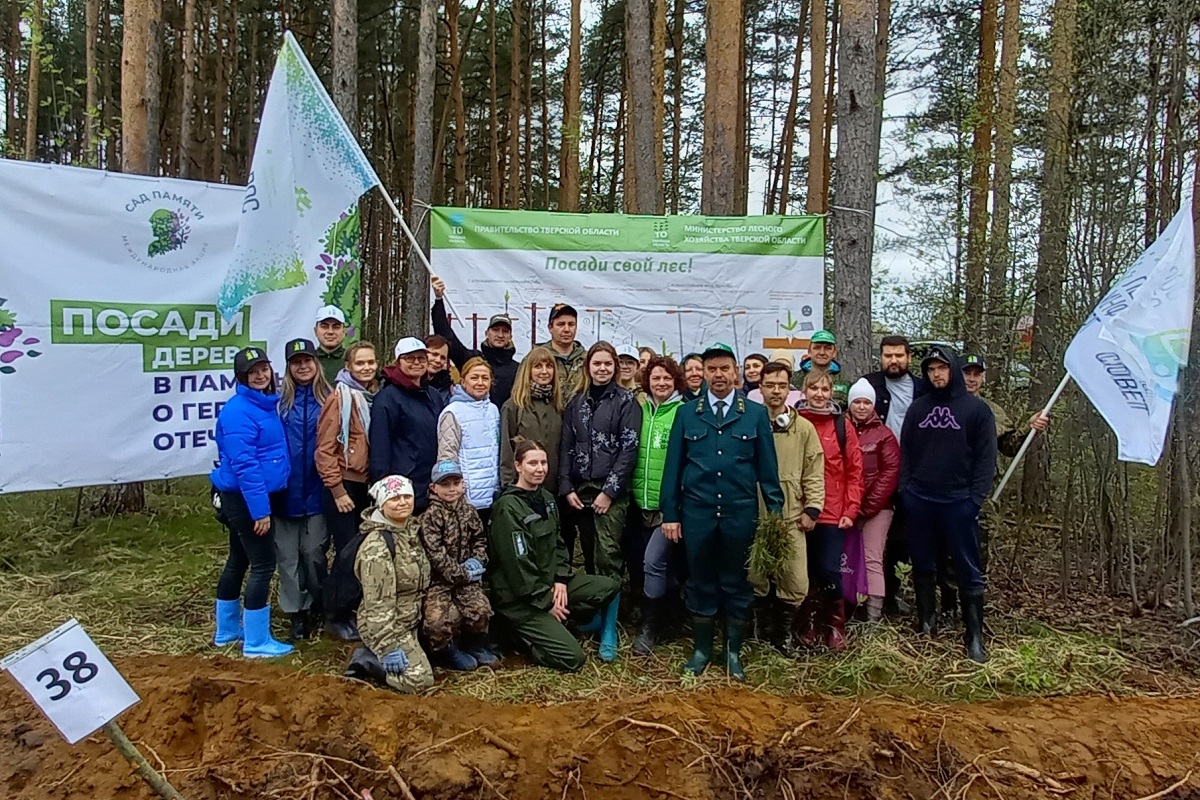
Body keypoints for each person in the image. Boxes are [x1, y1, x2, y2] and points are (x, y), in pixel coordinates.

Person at [660, 343, 785, 680]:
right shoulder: (687, 413)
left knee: (737, 582)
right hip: (697, 514)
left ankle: (732, 652)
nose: (718, 375)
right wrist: (670, 513)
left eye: (724, 369)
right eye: (711, 369)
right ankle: (701, 650)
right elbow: (673, 468)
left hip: (739, 513)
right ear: (702, 373)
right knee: (700, 581)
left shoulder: (754, 414)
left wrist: (775, 513)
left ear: (736, 373)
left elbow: (768, 470)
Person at [899, 346, 997, 663]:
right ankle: (926, 622)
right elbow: (907, 454)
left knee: (967, 569)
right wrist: (907, 492)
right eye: (930, 369)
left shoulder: (977, 411)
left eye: (942, 368)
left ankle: (974, 637)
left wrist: (974, 500)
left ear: (952, 369)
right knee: (924, 563)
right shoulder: (918, 409)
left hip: (959, 502)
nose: (936, 374)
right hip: (921, 500)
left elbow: (986, 460)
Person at [489, 441, 621, 671]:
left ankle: (586, 626)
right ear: (518, 466)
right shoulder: (507, 507)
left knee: (610, 587)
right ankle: (520, 638)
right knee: (573, 659)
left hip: (551, 583)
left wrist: (560, 578)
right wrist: (546, 602)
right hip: (522, 599)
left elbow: (559, 544)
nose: (539, 469)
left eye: (543, 462)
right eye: (532, 463)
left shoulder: (548, 499)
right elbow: (518, 566)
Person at [559, 342, 641, 659]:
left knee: (608, 556)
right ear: (588, 367)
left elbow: (628, 450)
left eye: (608, 364)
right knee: (586, 554)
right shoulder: (576, 402)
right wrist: (566, 487)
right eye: (597, 363)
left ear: (615, 368)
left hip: (611, 491)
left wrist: (610, 491)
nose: (602, 369)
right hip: (579, 489)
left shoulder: (625, 401)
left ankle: (609, 627)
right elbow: (566, 446)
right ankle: (593, 614)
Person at [211, 346, 293, 658]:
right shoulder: (237, 411)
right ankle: (257, 641)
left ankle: (228, 630)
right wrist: (260, 511)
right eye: (252, 372)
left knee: (238, 560)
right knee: (263, 564)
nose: (260, 376)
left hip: (250, 496)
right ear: (242, 378)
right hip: (245, 499)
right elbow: (245, 465)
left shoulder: (264, 405)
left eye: (263, 369)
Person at [749, 361, 825, 651]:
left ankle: (783, 634)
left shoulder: (803, 428)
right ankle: (760, 630)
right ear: (761, 388)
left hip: (792, 515)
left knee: (794, 580)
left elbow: (814, 470)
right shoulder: (751, 423)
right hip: (755, 513)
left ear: (789, 389)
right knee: (755, 575)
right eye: (770, 385)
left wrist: (813, 508)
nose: (776, 391)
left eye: (782, 385)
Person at [961, 353, 1050, 576]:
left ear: (983, 378)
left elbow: (1010, 447)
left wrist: (1029, 428)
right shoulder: (943, 406)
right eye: (966, 374)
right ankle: (946, 602)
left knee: (978, 543)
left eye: (976, 374)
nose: (971, 379)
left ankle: (974, 597)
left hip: (982, 490)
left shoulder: (993, 411)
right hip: (948, 487)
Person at [795, 370, 864, 652]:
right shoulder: (795, 421)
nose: (819, 394)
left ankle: (835, 623)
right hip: (800, 509)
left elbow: (855, 470)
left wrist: (851, 508)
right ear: (804, 391)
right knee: (805, 571)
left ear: (831, 392)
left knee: (829, 569)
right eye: (814, 389)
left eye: (825, 389)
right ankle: (808, 622)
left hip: (832, 511)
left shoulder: (841, 425)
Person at [316, 341, 379, 642]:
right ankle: (334, 615)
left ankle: (354, 610)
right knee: (345, 553)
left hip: (364, 482)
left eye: (370, 362)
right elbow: (325, 450)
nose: (366, 368)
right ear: (348, 366)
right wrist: (338, 489)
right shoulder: (339, 398)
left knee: (360, 551)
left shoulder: (370, 396)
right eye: (360, 363)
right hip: (344, 483)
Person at [861, 335, 929, 616]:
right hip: (874, 475)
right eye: (888, 355)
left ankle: (893, 593)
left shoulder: (922, 389)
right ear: (881, 357)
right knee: (872, 541)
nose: (893, 360)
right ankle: (865, 595)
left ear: (908, 358)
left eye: (899, 355)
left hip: (912, 474)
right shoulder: (869, 385)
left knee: (902, 540)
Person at [353, 475, 434, 693]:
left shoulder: (412, 531)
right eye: (394, 498)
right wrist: (387, 645)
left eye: (407, 496)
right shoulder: (377, 547)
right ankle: (368, 660)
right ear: (381, 504)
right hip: (389, 623)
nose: (402, 502)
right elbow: (378, 604)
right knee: (420, 681)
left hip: (413, 616)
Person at [628, 356, 687, 656]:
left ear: (676, 381)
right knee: (653, 566)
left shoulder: (683, 412)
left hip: (668, 507)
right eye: (655, 378)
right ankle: (669, 619)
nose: (661, 383)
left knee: (654, 562)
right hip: (639, 503)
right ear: (647, 381)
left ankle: (650, 628)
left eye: (667, 378)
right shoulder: (638, 409)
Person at [275, 339, 332, 641]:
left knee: (313, 553)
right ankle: (295, 612)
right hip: (284, 493)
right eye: (296, 362)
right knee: (287, 556)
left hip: (318, 490)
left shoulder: (330, 397)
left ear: (316, 362)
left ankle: (318, 603)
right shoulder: (278, 402)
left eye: (307, 360)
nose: (303, 366)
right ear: (289, 367)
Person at [420, 460, 496, 671]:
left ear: (463, 485)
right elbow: (435, 555)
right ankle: (446, 652)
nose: (452, 489)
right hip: (439, 582)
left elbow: (480, 540)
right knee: (436, 621)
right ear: (434, 488)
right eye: (445, 484)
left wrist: (478, 561)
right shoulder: (430, 517)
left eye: (456, 483)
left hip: (468, 578)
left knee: (481, 610)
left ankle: (475, 646)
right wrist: (463, 573)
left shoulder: (470, 512)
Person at [369, 337, 446, 513]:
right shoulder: (387, 397)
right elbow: (380, 447)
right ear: (398, 362)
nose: (416, 363)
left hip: (431, 486)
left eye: (421, 358)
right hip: (402, 489)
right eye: (409, 358)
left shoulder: (433, 396)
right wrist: (383, 484)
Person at [846, 378, 900, 622]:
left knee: (872, 558)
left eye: (866, 402)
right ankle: (844, 610)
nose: (861, 407)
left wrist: (866, 507)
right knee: (845, 558)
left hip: (877, 508)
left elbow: (890, 473)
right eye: (856, 401)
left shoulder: (884, 435)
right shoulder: (840, 428)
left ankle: (874, 617)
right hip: (845, 506)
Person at [430, 276, 519, 407]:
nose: (500, 335)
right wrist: (439, 299)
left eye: (505, 331)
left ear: (510, 336)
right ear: (487, 333)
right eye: (495, 330)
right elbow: (446, 335)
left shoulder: (518, 369)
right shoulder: (471, 359)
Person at [436, 357, 501, 526]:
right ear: (463, 381)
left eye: (485, 378)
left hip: (492, 495)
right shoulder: (453, 412)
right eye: (474, 378)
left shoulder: (493, 410)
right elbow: (447, 456)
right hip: (467, 498)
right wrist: (454, 490)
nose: (480, 383)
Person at [500, 347, 564, 496]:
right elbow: (506, 449)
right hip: (522, 488)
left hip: (553, 488)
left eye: (549, 366)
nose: (544, 371)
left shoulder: (558, 406)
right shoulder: (513, 406)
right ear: (528, 371)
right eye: (537, 366)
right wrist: (509, 486)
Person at [538, 303, 587, 401]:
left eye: (571, 324)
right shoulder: (536, 359)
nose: (567, 329)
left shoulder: (588, 360)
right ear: (550, 328)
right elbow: (521, 392)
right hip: (547, 415)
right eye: (561, 324)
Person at [797, 330, 849, 404]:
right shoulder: (794, 379)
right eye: (817, 348)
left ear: (834, 353)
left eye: (827, 348)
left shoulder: (845, 382)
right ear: (809, 351)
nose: (822, 352)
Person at [315, 306, 349, 385]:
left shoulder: (353, 359)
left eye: (336, 327)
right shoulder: (308, 361)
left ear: (344, 331)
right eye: (324, 327)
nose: (330, 332)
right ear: (315, 331)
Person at [424, 334, 458, 405]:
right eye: (434, 354)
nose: (438, 360)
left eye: (443, 358)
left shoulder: (448, 388)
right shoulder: (409, 384)